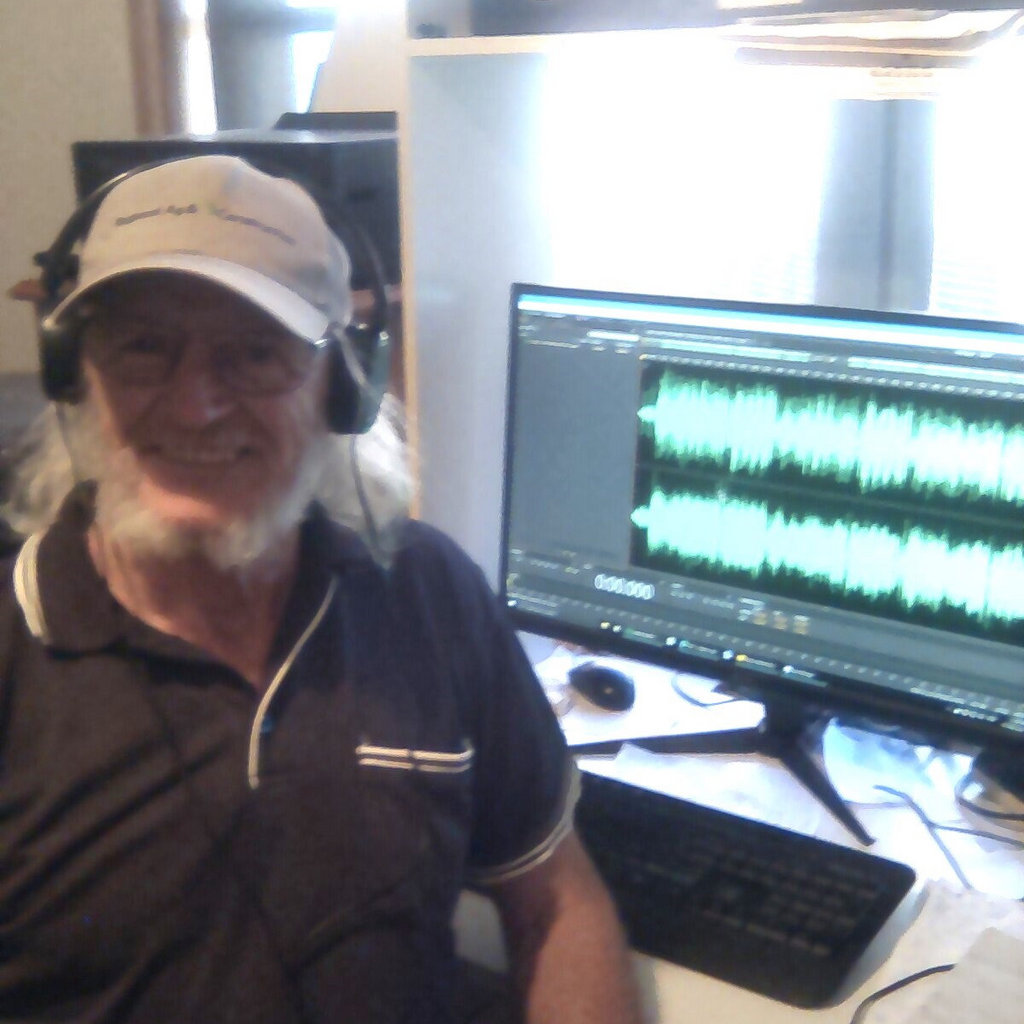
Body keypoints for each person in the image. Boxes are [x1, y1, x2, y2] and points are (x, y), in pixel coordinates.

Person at [0, 155, 642, 1024]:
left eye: (255, 353)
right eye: (144, 347)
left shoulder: (428, 592)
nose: (194, 405)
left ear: (344, 388)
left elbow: (559, 907)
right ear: (77, 373)